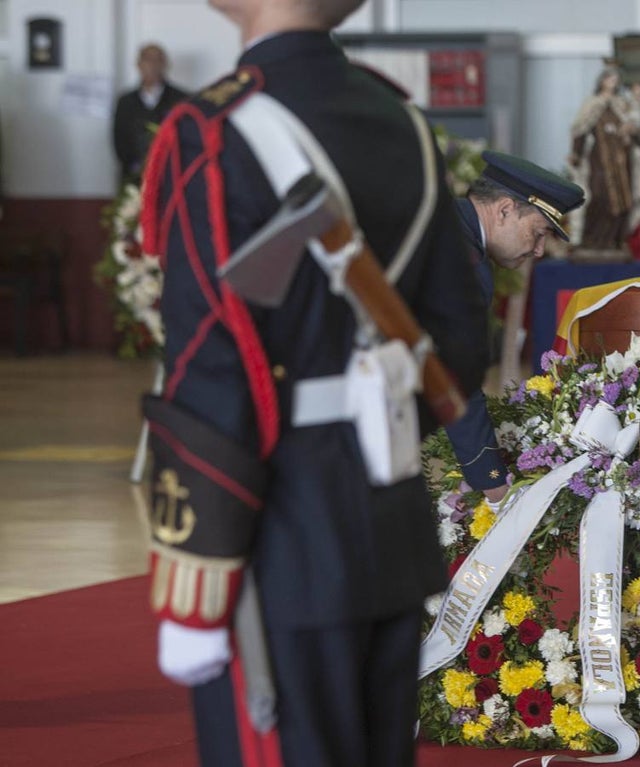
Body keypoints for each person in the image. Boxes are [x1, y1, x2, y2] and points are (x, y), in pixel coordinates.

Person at [137, 1, 490, 765]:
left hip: (274, 535)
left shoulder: (214, 131)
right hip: (389, 520)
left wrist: (198, 573)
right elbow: (459, 349)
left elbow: (209, 364)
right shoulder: (402, 124)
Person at [447, 151, 585, 502]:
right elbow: (454, 377)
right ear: (505, 210)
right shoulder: (463, 262)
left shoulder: (447, 227)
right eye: (538, 233)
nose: (539, 250)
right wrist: (491, 480)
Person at [567, 63, 640, 251]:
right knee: (599, 196)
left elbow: (638, 130)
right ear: (602, 81)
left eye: (616, 79)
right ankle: (591, 240)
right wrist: (576, 154)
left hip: (622, 160)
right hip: (600, 159)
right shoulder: (592, 103)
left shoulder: (622, 104)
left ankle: (615, 241)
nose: (613, 82)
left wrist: (631, 130)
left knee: (624, 201)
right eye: (610, 78)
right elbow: (580, 129)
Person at [112, 44, 187, 185]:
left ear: (165, 64)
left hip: (171, 176)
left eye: (158, 60)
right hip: (134, 177)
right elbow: (119, 139)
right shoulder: (125, 101)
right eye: (148, 60)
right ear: (138, 64)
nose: (153, 65)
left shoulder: (181, 99)